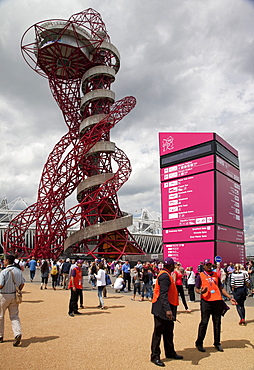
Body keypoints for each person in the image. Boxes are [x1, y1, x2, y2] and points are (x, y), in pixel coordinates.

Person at [195, 258, 237, 352]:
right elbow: (196, 288)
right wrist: (200, 292)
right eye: (207, 265)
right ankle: (199, 342)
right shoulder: (200, 276)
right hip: (206, 301)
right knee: (204, 322)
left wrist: (230, 297)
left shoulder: (215, 275)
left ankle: (217, 342)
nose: (209, 266)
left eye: (210, 265)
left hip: (217, 301)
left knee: (217, 323)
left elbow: (221, 287)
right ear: (204, 266)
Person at [150, 257, 183, 367]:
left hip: (167, 307)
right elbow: (163, 294)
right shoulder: (164, 276)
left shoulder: (165, 274)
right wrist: (168, 310)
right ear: (171, 266)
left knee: (169, 332)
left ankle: (170, 352)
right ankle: (155, 356)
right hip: (162, 309)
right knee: (158, 333)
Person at [0, 254, 25, 346]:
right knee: (14, 316)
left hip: (3, 296)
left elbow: (1, 285)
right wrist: (18, 290)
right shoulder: (19, 271)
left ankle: (0, 336)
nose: (3, 261)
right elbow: (22, 284)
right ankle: (17, 333)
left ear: (7, 261)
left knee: (0, 316)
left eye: (4, 260)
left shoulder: (4, 272)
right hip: (14, 296)